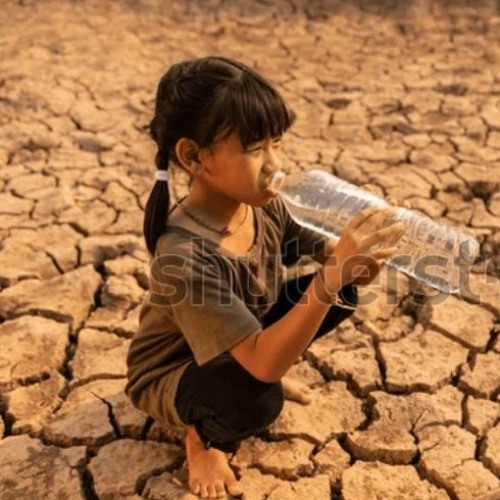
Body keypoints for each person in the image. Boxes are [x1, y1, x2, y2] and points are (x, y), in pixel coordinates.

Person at [125, 56, 405, 499]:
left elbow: (342, 266)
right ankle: (204, 438)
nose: (275, 163)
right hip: (177, 370)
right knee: (258, 400)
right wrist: (331, 277)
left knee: (341, 291)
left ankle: (249, 375)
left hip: (242, 341)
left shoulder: (263, 204)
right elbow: (264, 362)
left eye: (278, 142)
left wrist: (368, 253)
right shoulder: (183, 255)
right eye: (255, 149)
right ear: (193, 156)